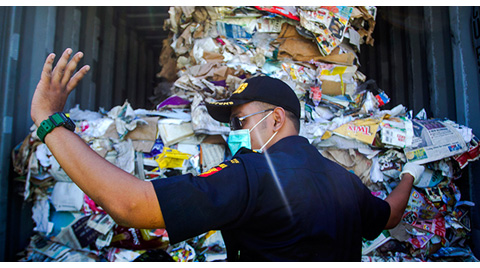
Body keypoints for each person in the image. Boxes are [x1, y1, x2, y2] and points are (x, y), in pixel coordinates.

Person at [31, 48, 424, 261]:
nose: (234, 132)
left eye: (239, 121)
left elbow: (131, 205)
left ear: (274, 120)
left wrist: (49, 121)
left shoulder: (250, 174)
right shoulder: (346, 182)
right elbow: (388, 214)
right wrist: (409, 174)